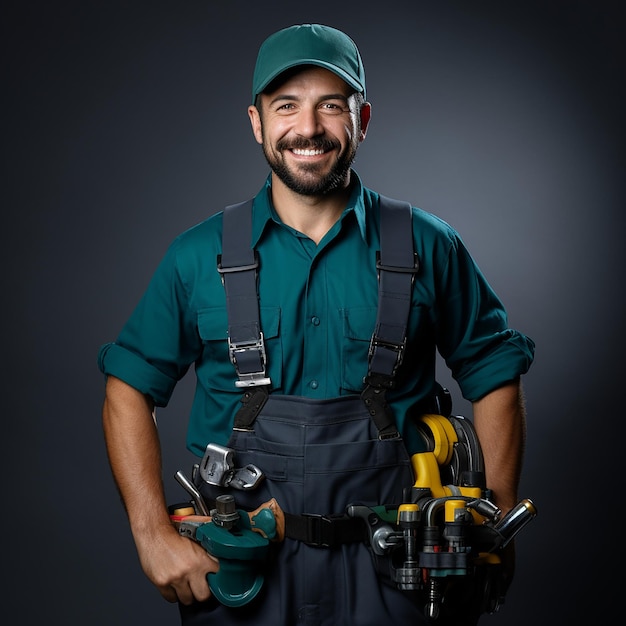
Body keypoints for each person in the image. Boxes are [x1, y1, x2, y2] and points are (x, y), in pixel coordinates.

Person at [98, 23, 535, 626]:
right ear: (256, 122)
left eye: (331, 105)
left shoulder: (430, 246)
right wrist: (150, 534)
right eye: (287, 107)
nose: (308, 128)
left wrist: (496, 519)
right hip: (244, 571)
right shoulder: (197, 256)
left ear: (363, 119)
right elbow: (128, 388)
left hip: (400, 571)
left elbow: (494, 374)